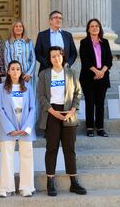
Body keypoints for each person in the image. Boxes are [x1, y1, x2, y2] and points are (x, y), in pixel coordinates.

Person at [37, 46, 86, 196]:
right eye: (53, 56)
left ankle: (73, 182)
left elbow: (78, 92)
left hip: (68, 114)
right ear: (49, 59)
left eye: (58, 56)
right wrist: (52, 111)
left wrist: (73, 110)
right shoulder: (44, 74)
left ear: (62, 57)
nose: (56, 58)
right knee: (51, 148)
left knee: (69, 149)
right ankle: (50, 182)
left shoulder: (71, 73)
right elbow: (41, 95)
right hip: (52, 114)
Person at [0, 60, 36, 198]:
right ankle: (6, 187)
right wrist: (9, 128)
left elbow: (32, 108)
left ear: (21, 71)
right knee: (6, 157)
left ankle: (26, 187)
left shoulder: (28, 87)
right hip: (8, 128)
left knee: (26, 157)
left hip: (25, 128)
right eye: (12, 69)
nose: (15, 71)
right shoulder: (1, 88)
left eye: (18, 69)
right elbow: (0, 109)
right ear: (8, 71)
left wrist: (27, 127)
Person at [79, 19, 113, 137]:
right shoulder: (84, 42)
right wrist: (96, 71)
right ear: (88, 29)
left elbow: (109, 59)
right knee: (90, 102)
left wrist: (102, 71)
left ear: (100, 28)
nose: (94, 28)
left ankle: (100, 128)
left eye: (97, 26)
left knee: (100, 103)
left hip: (103, 77)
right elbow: (85, 60)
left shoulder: (105, 42)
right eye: (92, 26)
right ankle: (89, 128)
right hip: (89, 77)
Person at [3, 20, 36, 88]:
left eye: (20, 26)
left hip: (27, 76)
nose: (18, 28)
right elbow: (7, 60)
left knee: (28, 95)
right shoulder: (8, 43)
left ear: (23, 28)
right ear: (13, 29)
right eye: (16, 26)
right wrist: (14, 74)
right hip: (14, 76)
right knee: (16, 96)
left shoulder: (29, 42)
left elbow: (33, 59)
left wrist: (29, 73)